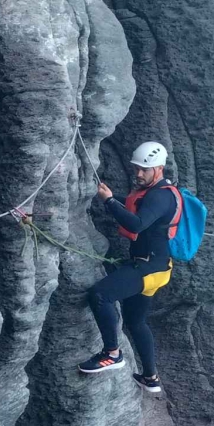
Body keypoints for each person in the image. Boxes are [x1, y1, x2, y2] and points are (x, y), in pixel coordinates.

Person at [78, 141, 181, 394]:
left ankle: (112, 353)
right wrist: (114, 198)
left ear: (158, 168)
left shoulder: (160, 196)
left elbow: (136, 224)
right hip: (156, 267)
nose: (138, 174)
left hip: (149, 268)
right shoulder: (157, 193)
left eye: (144, 170)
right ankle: (150, 377)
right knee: (136, 322)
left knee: (100, 295)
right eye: (136, 168)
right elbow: (137, 206)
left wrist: (111, 202)